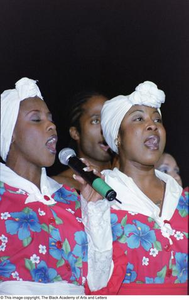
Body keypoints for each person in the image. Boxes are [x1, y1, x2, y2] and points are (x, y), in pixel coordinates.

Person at [0, 78, 113, 295]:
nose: (51, 125)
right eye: (36, 119)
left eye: (50, 119)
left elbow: (98, 281)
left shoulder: (69, 197)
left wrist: (94, 209)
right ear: (10, 133)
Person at [85, 81, 188, 295]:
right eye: (139, 118)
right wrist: (93, 211)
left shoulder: (181, 197)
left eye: (157, 119)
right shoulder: (98, 192)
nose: (153, 125)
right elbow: (93, 280)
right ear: (117, 137)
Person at [52, 91, 114, 190]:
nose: (105, 128)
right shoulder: (57, 186)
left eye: (109, 120)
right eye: (95, 121)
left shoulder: (128, 180)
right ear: (75, 133)